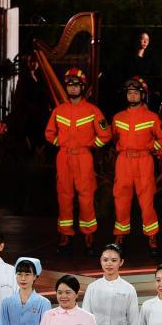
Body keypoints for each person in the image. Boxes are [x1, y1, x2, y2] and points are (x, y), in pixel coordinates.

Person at [44, 68, 112, 255]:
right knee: (64, 197)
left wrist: (91, 145)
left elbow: (105, 134)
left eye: (76, 85)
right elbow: (49, 133)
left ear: (82, 87)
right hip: (64, 157)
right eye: (69, 85)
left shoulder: (92, 110)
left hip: (83, 157)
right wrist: (60, 143)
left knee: (86, 196)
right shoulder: (59, 110)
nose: (72, 89)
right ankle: (65, 235)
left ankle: (89, 235)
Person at [110, 77, 162, 254]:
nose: (132, 96)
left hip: (144, 161)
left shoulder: (152, 117)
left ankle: (152, 236)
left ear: (142, 95)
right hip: (124, 161)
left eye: (136, 93)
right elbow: (113, 139)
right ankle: (120, 234)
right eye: (130, 93)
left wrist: (151, 149)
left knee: (147, 201)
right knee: (121, 199)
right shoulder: (118, 118)